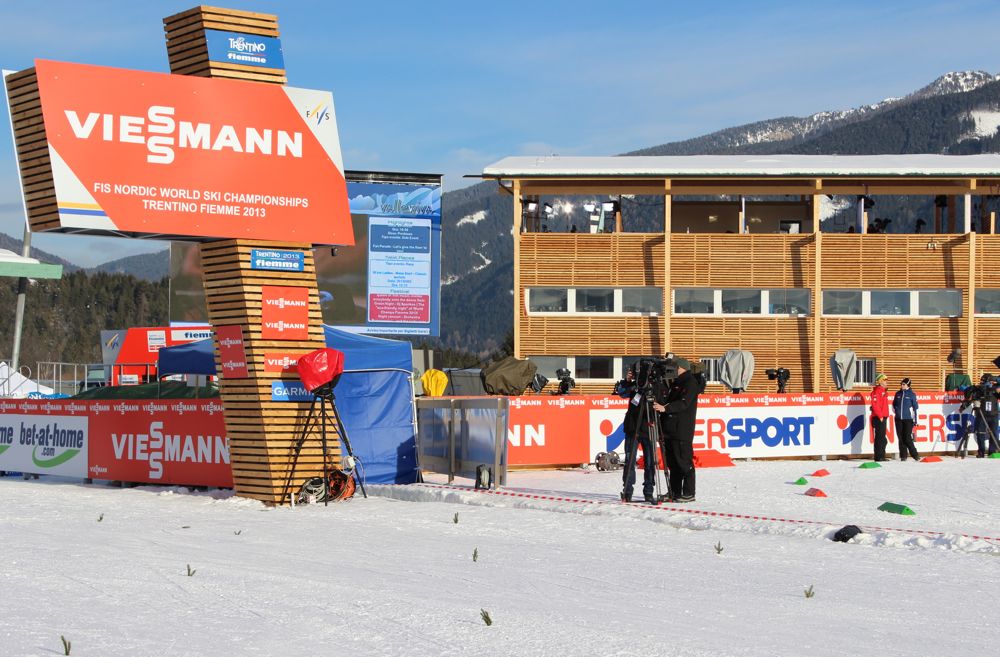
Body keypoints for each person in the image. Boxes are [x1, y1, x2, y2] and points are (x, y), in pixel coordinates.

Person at [653, 356, 700, 502]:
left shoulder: (690, 382)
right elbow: (668, 400)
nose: (671, 370)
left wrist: (665, 408)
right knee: (673, 463)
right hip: (670, 429)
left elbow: (683, 403)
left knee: (684, 462)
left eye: (674, 367)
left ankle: (689, 492)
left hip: (681, 430)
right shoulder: (675, 383)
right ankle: (674, 492)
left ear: (681, 368)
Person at [614, 366, 659, 504]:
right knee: (629, 461)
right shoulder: (635, 385)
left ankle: (649, 491)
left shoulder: (656, 385)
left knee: (650, 461)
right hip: (633, 428)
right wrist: (627, 381)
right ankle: (627, 491)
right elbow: (621, 392)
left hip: (648, 426)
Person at [892, 377, 920, 461]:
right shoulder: (898, 393)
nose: (901, 385)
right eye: (901, 384)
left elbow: (915, 408)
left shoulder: (912, 394)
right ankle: (903, 456)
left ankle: (915, 455)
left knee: (907, 438)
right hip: (898, 419)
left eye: (903, 384)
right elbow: (893, 405)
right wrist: (896, 412)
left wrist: (915, 421)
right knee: (900, 438)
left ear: (908, 385)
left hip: (908, 419)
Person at [869, 372, 890, 461]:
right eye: (885, 380)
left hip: (883, 417)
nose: (886, 382)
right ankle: (878, 457)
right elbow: (875, 405)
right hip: (879, 417)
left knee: (883, 439)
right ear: (880, 381)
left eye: (887, 380)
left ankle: (881, 455)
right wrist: (880, 416)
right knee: (880, 438)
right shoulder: (877, 391)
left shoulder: (883, 391)